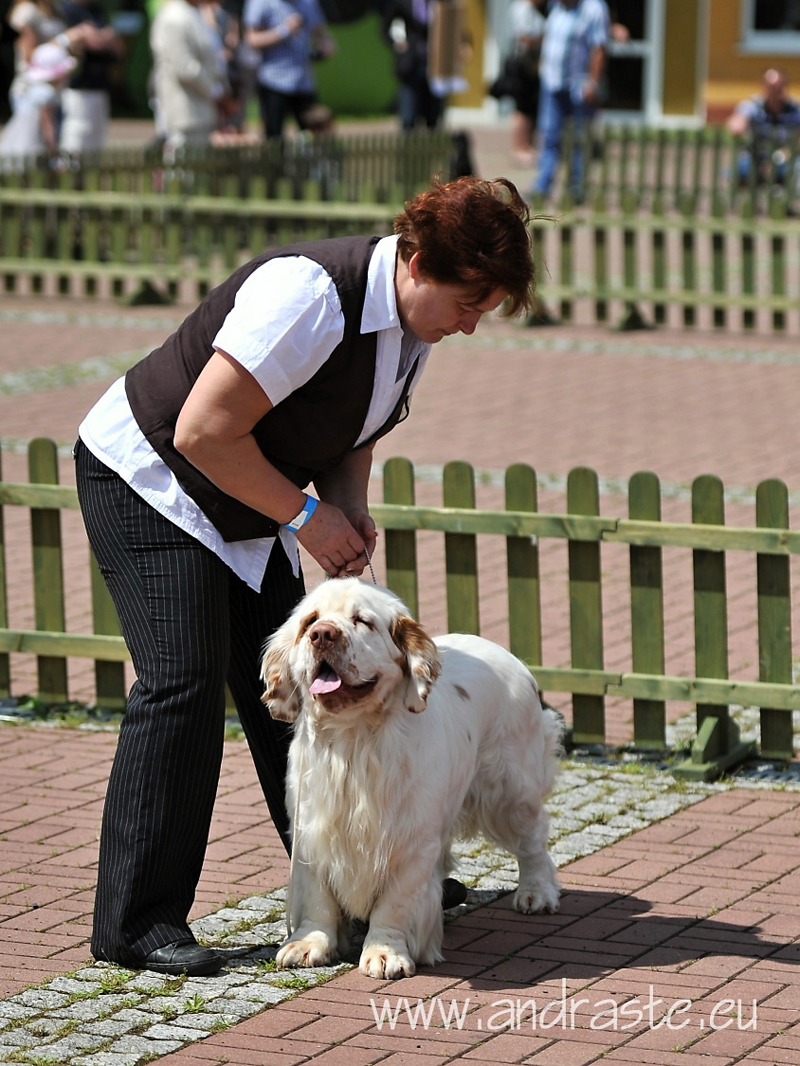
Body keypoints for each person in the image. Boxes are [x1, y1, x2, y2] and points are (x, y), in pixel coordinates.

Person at [74, 174, 536, 978]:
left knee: (296, 686)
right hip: (149, 478)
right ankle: (137, 922)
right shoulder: (310, 295)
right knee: (181, 684)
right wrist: (304, 518)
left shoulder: (408, 333)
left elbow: (354, 430)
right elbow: (204, 428)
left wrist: (346, 511)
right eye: (468, 303)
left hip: (243, 497)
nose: (468, 326)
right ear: (420, 263)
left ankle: (358, 885)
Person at [529, 0, 610, 202]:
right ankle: (542, 186)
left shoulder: (594, 8)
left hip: (579, 86)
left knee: (579, 139)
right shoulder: (555, 6)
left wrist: (592, 82)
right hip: (552, 82)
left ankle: (577, 189)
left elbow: (599, 47)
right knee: (548, 135)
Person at [242, 0, 335, 139]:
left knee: (316, 134)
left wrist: (326, 46)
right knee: (274, 139)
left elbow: (321, 33)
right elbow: (251, 39)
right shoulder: (261, 2)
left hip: (303, 82)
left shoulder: (308, 3)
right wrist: (284, 30)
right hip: (273, 81)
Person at [149, 0, 229, 154]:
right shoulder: (173, 16)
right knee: (181, 171)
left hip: (201, 113)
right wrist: (216, 93)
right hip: (184, 113)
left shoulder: (195, 13)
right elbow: (184, 68)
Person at [59, 0, 123, 153]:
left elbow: (117, 45)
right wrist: (98, 37)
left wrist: (98, 37)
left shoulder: (95, 11)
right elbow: (85, 41)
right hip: (78, 85)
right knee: (78, 134)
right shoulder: (65, 10)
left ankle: (88, 175)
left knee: (97, 137)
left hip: (100, 83)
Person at [0, 39, 75, 161]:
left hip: (20, 139)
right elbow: (47, 126)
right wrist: (53, 151)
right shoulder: (47, 94)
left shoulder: (35, 89)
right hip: (31, 142)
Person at [727, 68, 800, 188]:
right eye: (771, 87)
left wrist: (785, 154)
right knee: (731, 173)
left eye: (779, 87)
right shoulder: (754, 106)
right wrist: (740, 122)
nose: (775, 91)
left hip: (785, 157)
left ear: (785, 88)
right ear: (763, 87)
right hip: (756, 156)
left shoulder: (794, 109)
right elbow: (736, 123)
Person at [506, 0, 546, 165]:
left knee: (529, 108)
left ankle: (527, 144)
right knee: (522, 108)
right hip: (523, 66)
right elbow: (525, 37)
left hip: (531, 66)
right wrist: (543, 39)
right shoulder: (521, 9)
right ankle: (519, 146)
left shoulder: (533, 10)